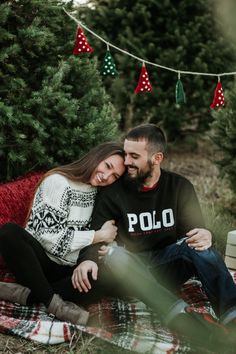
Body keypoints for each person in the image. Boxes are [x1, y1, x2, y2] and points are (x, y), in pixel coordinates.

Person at [74, 124, 236, 349]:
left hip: (169, 265)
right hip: (130, 271)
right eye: (126, 153)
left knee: (199, 246)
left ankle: (232, 317)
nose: (126, 161)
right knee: (113, 254)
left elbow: (196, 230)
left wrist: (206, 234)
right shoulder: (113, 194)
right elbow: (97, 235)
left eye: (134, 156)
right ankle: (182, 318)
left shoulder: (179, 187)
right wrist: (88, 259)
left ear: (157, 158)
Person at [0, 142, 125, 326]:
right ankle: (56, 305)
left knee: (105, 276)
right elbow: (48, 238)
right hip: (38, 263)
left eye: (114, 176)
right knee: (9, 233)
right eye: (107, 166)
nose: (106, 176)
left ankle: (24, 293)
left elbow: (103, 239)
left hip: (69, 270)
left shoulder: (99, 194)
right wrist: (98, 235)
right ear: (96, 157)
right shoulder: (58, 182)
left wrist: (98, 252)